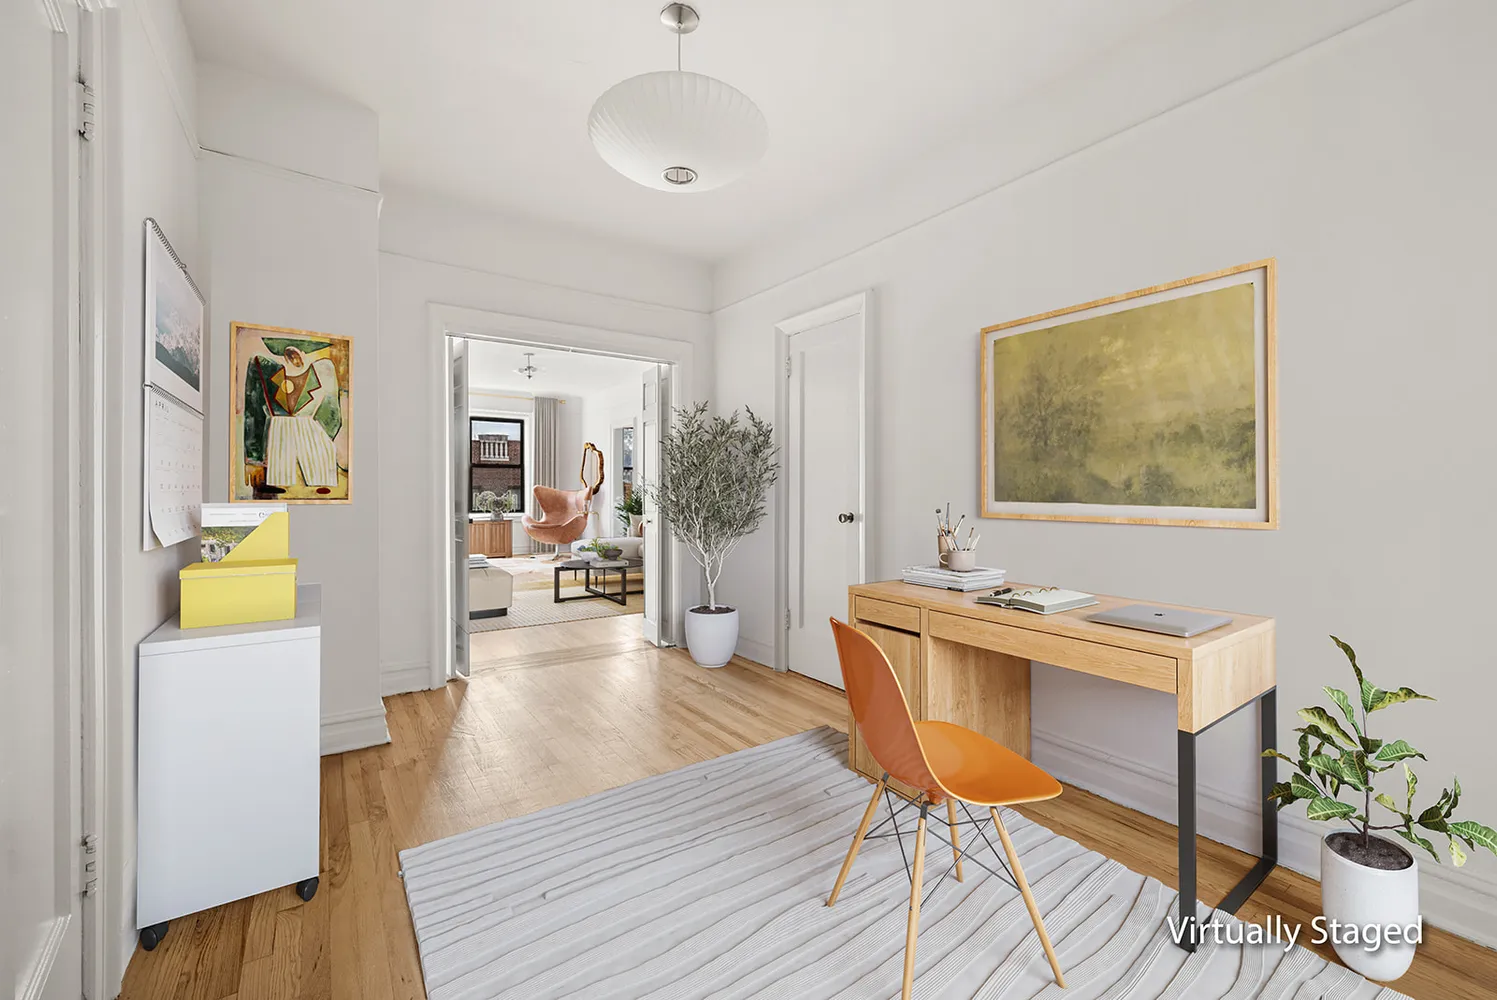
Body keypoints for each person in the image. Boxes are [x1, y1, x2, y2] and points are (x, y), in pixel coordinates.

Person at [244, 340, 342, 491]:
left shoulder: (324, 369)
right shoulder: (262, 366)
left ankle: (318, 478)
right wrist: (254, 458)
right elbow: (254, 411)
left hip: (310, 431)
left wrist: (324, 437)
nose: (293, 360)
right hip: (279, 433)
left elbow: (332, 412)